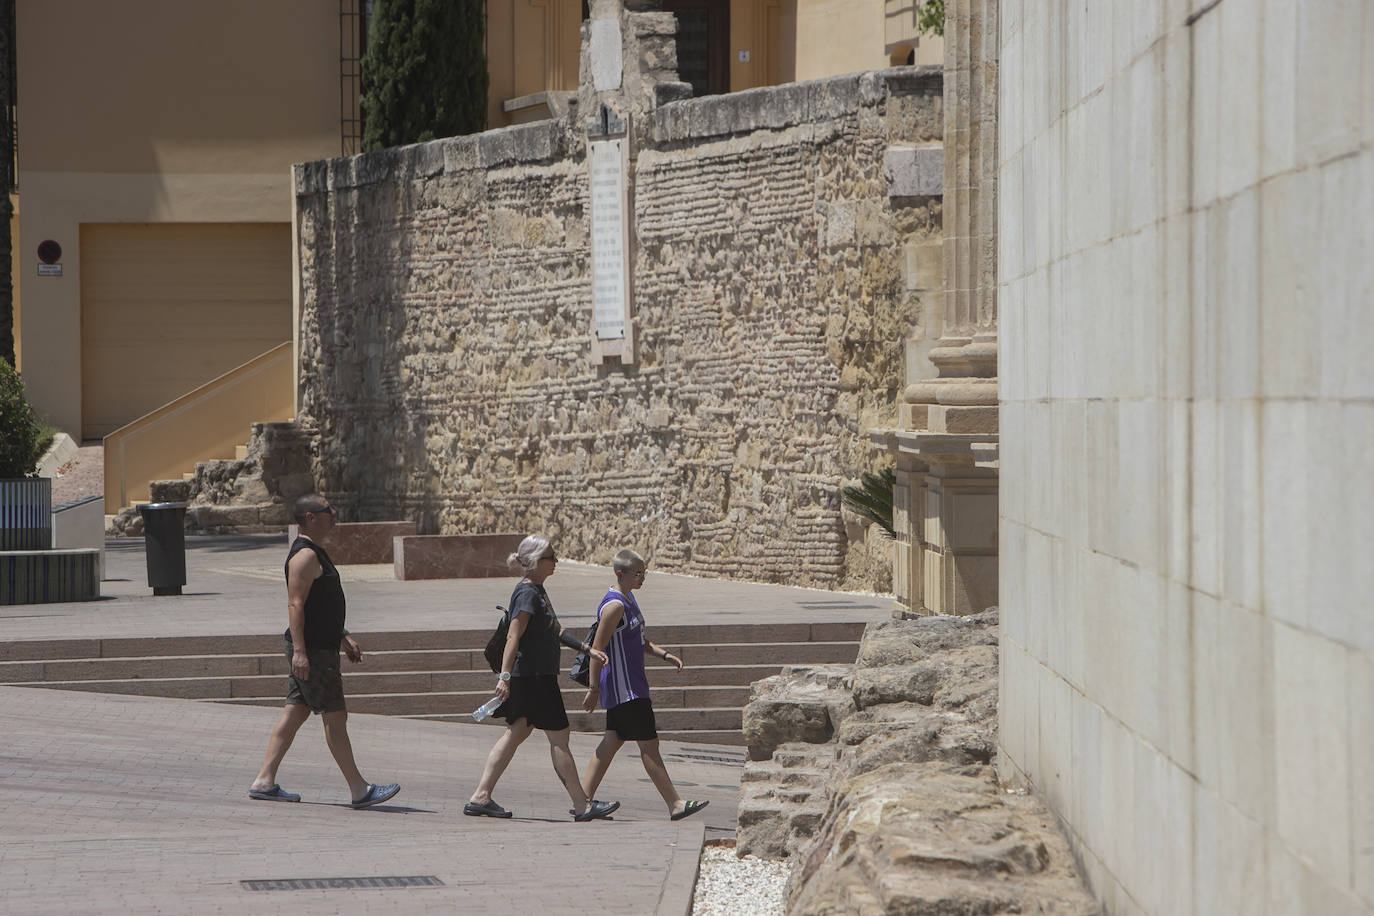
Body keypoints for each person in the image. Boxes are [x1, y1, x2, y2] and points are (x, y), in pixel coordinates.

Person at [247, 494, 400, 809]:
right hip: (313, 650)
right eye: (327, 510)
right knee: (334, 715)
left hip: (320, 645)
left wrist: (343, 636)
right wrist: (300, 652)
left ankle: (264, 780)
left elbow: (322, 606)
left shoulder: (315, 552)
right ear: (310, 517)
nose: (334, 513)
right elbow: (296, 604)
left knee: (296, 711)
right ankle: (359, 789)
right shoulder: (304, 556)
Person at [465, 534, 620, 822]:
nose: (556, 560)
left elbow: (556, 630)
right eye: (551, 556)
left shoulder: (536, 590)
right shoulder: (526, 593)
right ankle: (582, 805)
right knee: (559, 736)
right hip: (534, 678)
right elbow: (513, 636)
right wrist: (504, 676)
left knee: (516, 733)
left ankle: (480, 796)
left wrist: (587, 649)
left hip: (535, 676)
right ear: (536, 561)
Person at [579, 549, 708, 821]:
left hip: (632, 685)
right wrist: (593, 688)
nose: (642, 578)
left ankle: (582, 801)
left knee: (612, 741)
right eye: (638, 573)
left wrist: (665, 655)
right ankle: (675, 803)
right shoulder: (614, 606)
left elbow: (638, 639)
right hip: (626, 690)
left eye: (644, 572)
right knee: (649, 745)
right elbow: (596, 650)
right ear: (620, 573)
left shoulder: (629, 599)